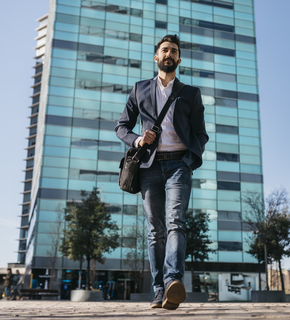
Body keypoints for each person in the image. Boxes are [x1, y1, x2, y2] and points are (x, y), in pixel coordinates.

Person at [116, 34, 208, 310]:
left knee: (175, 223)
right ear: (156, 57)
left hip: (179, 165)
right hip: (149, 167)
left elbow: (200, 135)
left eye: (174, 51)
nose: (169, 54)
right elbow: (121, 126)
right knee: (155, 230)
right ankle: (159, 291)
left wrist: (190, 160)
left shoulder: (190, 93)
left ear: (179, 60)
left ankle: (172, 282)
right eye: (164, 50)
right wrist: (137, 140)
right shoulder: (140, 89)